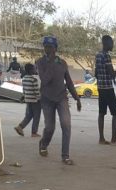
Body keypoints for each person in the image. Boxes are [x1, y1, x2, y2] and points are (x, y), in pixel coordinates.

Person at [35, 36, 82, 166]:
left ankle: (65, 156)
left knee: (66, 124)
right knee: (50, 128)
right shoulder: (40, 62)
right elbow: (44, 80)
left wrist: (77, 98)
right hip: (47, 99)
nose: (48, 49)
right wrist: (51, 64)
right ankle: (43, 144)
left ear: (56, 48)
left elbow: (69, 82)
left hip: (62, 98)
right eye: (46, 47)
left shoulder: (63, 63)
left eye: (51, 47)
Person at [14, 63, 42, 138]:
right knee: (36, 116)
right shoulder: (34, 79)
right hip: (35, 101)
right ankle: (34, 132)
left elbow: (24, 90)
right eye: (34, 68)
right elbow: (36, 92)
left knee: (29, 116)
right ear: (30, 70)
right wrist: (40, 99)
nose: (35, 70)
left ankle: (20, 127)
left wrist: (24, 97)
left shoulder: (24, 79)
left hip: (28, 100)